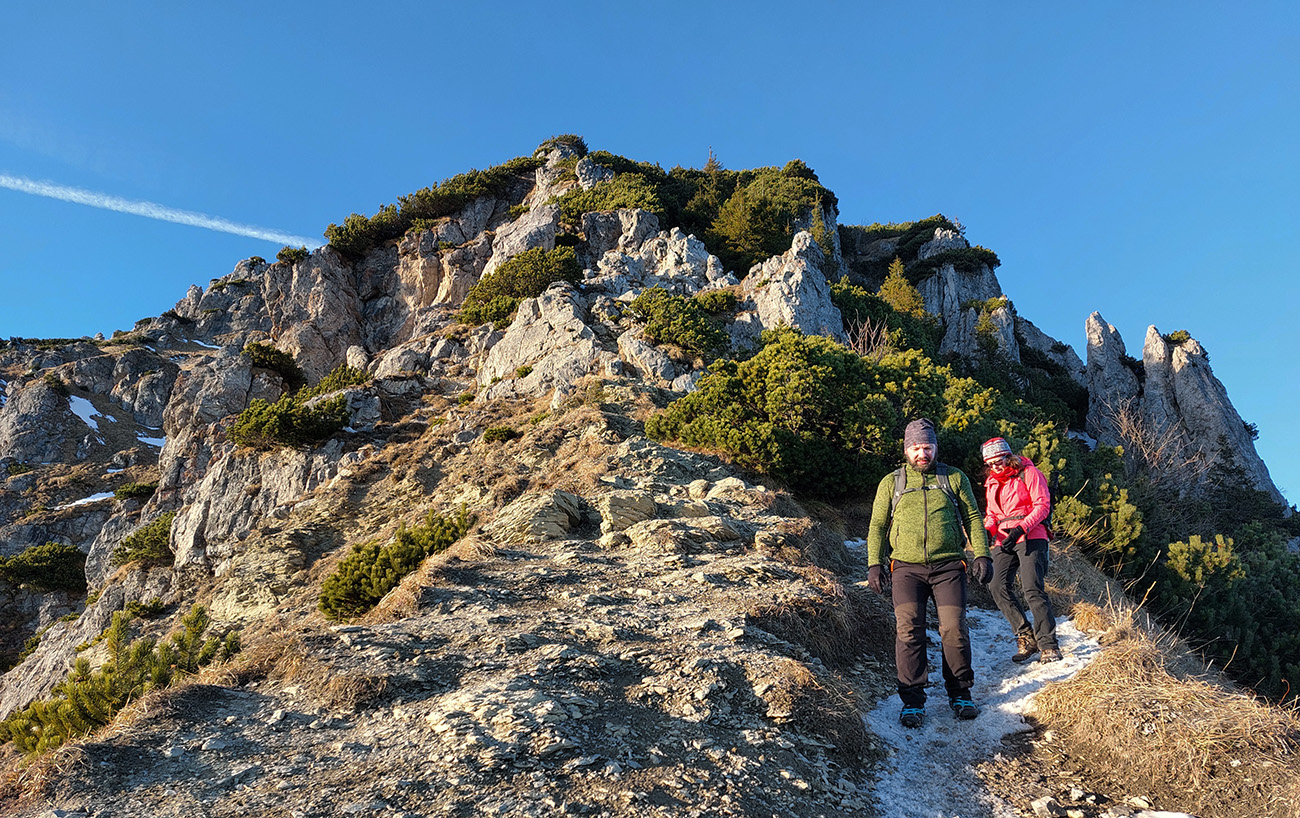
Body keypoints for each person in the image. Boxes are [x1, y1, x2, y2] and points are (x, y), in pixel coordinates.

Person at [865, 418, 992, 729]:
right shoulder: (892, 482)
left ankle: (960, 693)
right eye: (916, 448)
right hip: (906, 569)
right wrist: (874, 564)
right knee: (909, 631)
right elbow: (878, 526)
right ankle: (912, 700)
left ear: (936, 447)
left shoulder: (954, 477)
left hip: (949, 567)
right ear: (906, 450)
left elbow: (973, 517)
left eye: (928, 447)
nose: (923, 453)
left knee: (954, 629)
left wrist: (982, 554)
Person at [980, 437, 1061, 664]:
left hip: (1032, 535)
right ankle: (1025, 635)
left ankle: (1048, 645)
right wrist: (987, 529)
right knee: (996, 585)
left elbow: (1042, 506)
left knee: (1032, 588)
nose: (995, 466)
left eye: (999, 461)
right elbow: (992, 513)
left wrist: (1021, 528)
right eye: (990, 463)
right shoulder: (991, 482)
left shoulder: (1030, 473)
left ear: (1008, 456)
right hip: (1003, 538)